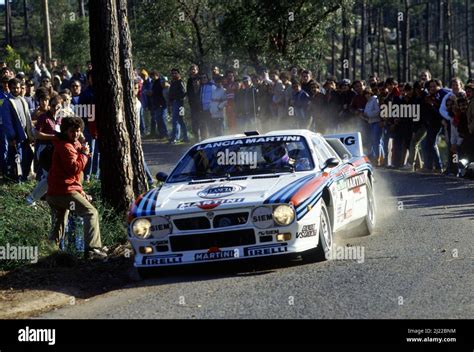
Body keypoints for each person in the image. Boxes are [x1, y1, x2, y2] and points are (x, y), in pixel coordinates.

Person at [46, 116, 107, 259]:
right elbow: (73, 169)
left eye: (78, 131)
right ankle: (93, 249)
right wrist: (84, 154)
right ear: (65, 131)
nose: (76, 134)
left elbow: (74, 177)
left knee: (59, 223)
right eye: (72, 131)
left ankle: (49, 253)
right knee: (91, 213)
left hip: (57, 192)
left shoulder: (72, 144)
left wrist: (81, 191)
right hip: (63, 192)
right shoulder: (65, 147)